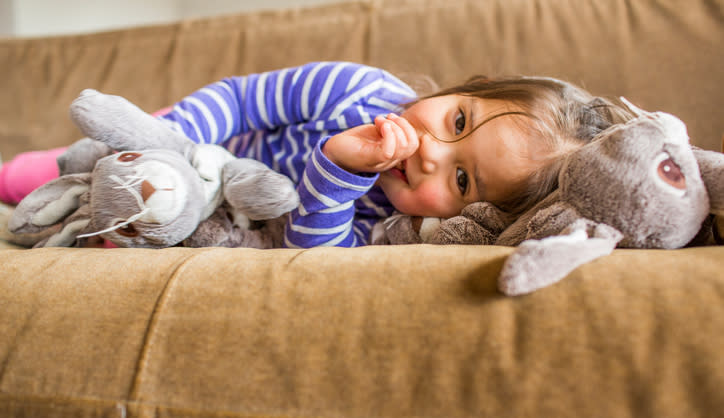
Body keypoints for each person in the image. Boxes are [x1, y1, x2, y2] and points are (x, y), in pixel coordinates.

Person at [0, 61, 629, 248]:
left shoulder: (399, 227)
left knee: (94, 225)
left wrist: (337, 171)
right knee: (41, 172)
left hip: (217, 220)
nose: (432, 153)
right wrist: (174, 138)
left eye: (464, 179)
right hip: (189, 148)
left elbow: (311, 253)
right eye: (457, 120)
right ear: (464, 89)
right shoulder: (360, 89)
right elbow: (243, 100)